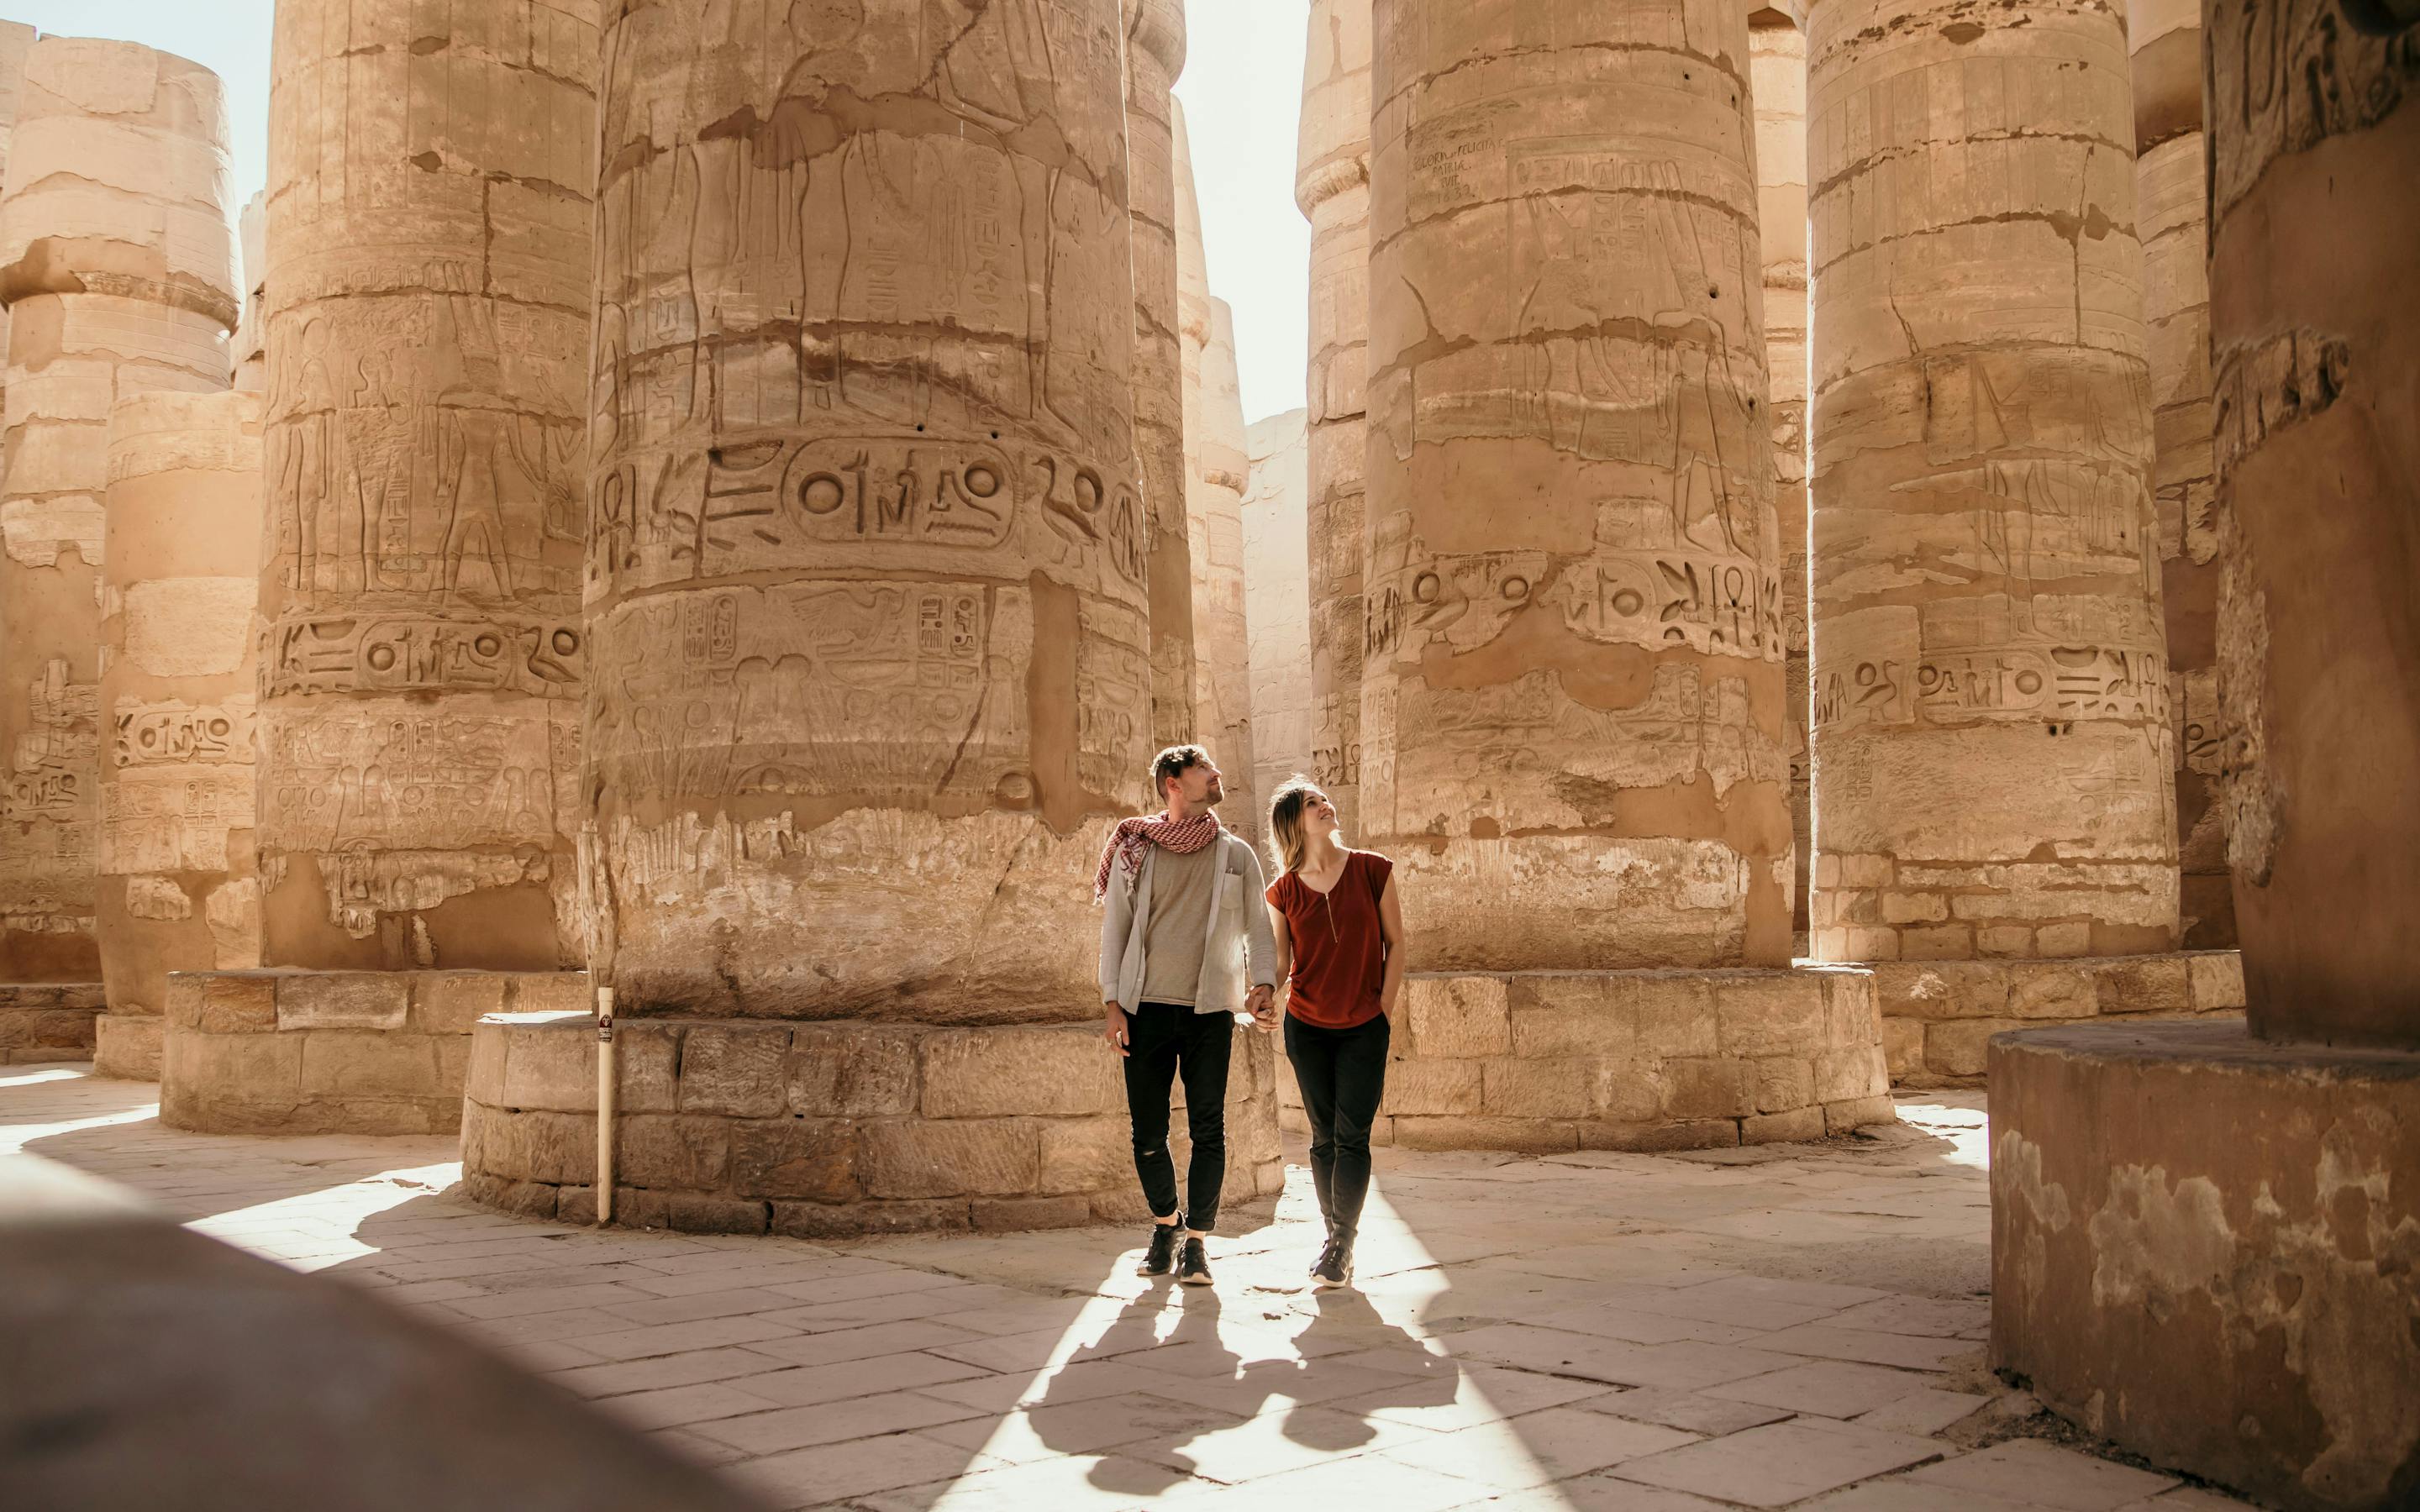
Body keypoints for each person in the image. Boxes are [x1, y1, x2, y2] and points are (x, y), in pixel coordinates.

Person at [1097, 745, 1278, 1288]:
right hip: (1143, 1009)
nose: (1216, 774)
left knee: (1208, 1130)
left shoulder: (1236, 854)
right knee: (1147, 1134)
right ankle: (1164, 1225)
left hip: (1209, 1014)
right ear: (1173, 783)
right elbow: (1115, 926)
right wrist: (1112, 1003)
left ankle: (1197, 1241)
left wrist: (1263, 983)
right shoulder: (1135, 848)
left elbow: (1257, 926)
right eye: (1203, 769)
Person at [1262, 776, 1405, 1289]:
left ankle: (1342, 1241)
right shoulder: (1282, 891)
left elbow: (1396, 944)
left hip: (1364, 1026)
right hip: (1307, 1028)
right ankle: (1335, 1243)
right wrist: (1263, 992)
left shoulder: (1372, 869)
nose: (1325, 805)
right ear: (1293, 823)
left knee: (1353, 1136)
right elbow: (1282, 962)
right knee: (1323, 1138)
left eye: (1324, 799)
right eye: (1312, 803)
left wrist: (1382, 1010)